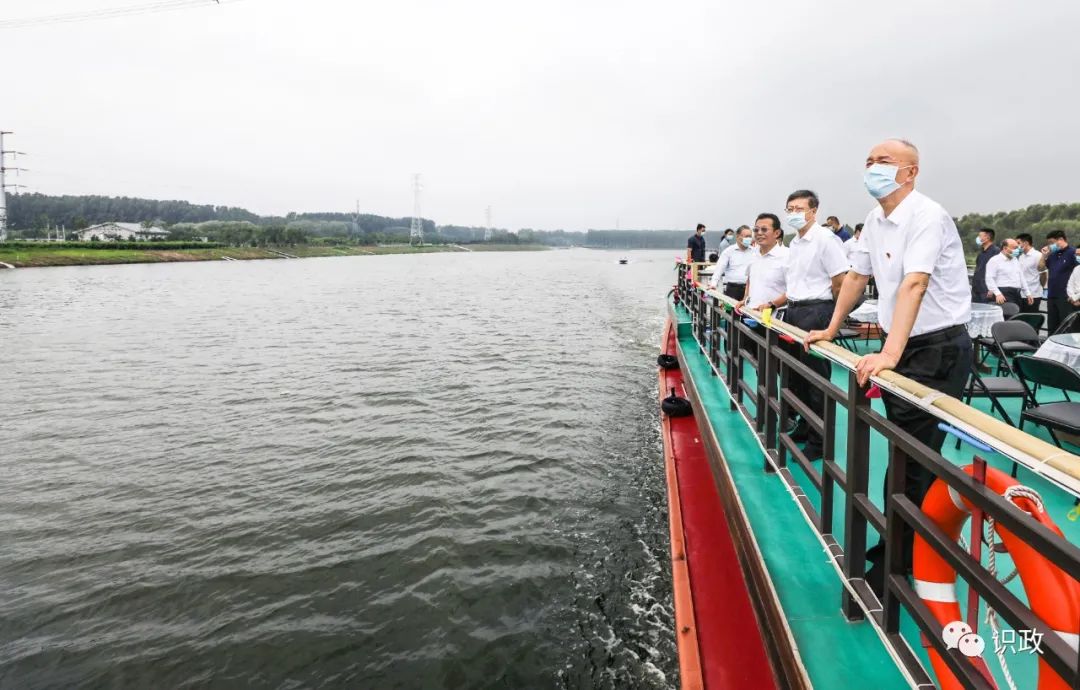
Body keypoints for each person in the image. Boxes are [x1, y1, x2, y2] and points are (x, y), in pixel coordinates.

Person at [805, 138, 972, 598]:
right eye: (869, 161)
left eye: (884, 161)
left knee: (912, 463)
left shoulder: (926, 216)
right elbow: (857, 277)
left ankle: (896, 567)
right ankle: (902, 551)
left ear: (910, 172)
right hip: (905, 344)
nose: (873, 167)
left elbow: (915, 283)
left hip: (936, 349)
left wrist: (891, 355)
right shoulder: (876, 223)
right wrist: (831, 328)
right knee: (906, 455)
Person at [781, 189, 849, 461]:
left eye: (799, 208)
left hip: (816, 311)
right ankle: (806, 427)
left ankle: (820, 442)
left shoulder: (825, 240)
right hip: (795, 311)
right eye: (790, 209)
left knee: (816, 380)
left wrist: (828, 316)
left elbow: (840, 282)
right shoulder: (795, 243)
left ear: (813, 211)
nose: (794, 214)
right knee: (797, 376)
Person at [736, 213, 788, 311]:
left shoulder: (787, 256)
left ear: (777, 233)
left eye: (764, 229)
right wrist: (745, 299)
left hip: (773, 318)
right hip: (751, 313)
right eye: (756, 230)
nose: (759, 233)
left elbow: (794, 290)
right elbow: (749, 280)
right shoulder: (753, 254)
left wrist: (772, 305)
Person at [984, 238, 1033, 309]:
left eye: (1017, 248)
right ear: (1005, 248)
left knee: (1016, 316)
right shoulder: (995, 260)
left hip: (1016, 294)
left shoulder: (1015, 260)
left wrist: (1027, 293)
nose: (1017, 250)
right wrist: (997, 294)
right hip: (1003, 293)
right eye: (1015, 248)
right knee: (1007, 317)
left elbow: (1021, 277)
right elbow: (989, 278)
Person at [709, 225, 755, 300]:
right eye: (746, 236)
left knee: (749, 311)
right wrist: (713, 284)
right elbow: (719, 269)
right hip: (733, 289)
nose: (748, 239)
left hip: (751, 289)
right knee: (731, 311)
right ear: (737, 237)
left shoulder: (755, 252)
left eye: (750, 236)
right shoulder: (728, 251)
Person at [1041, 230, 1074, 334]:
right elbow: (1040, 267)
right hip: (1051, 295)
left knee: (1066, 327)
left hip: (1066, 296)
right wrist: (1044, 255)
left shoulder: (1073, 252)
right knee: (1052, 327)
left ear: (1061, 239)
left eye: (1052, 243)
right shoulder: (1052, 254)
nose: (1050, 245)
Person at [1016, 233, 1044, 314]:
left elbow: (1043, 274)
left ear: (1026, 243)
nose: (1017, 246)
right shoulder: (1021, 256)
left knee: (1031, 320)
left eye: (1018, 243)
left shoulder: (1038, 255)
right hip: (1021, 294)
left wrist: (1040, 286)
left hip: (1033, 294)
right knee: (1019, 320)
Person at [971, 228, 998, 303]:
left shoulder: (995, 251)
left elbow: (997, 271)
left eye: (980, 236)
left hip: (986, 290)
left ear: (988, 237)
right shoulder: (981, 253)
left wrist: (992, 289)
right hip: (976, 289)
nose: (978, 238)